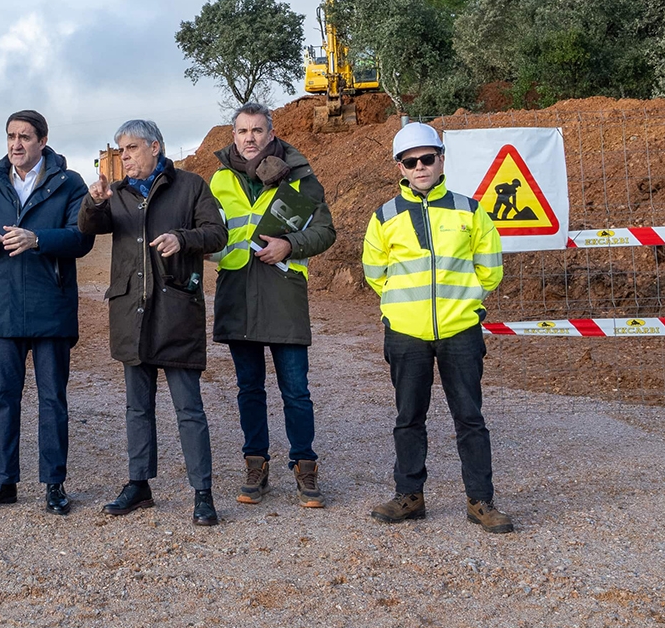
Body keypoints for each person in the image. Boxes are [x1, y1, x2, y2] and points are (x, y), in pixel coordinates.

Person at [361, 122, 513, 534]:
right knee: (408, 417)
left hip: (460, 330)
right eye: (411, 162)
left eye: (428, 158)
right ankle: (409, 496)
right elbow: (375, 273)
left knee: (470, 418)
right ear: (401, 167)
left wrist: (464, 301)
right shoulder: (385, 216)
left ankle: (480, 501)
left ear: (441, 159)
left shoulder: (470, 209)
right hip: (406, 333)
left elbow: (491, 268)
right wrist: (400, 310)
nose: (421, 167)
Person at [78, 119, 228, 526]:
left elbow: (217, 234)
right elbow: (87, 228)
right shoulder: (118, 194)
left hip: (176, 311)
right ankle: (138, 484)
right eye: (120, 149)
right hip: (131, 311)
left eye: (131, 148)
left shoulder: (191, 186)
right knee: (137, 408)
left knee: (189, 409)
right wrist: (92, 201)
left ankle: (203, 493)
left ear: (155, 147)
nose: (123, 156)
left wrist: (183, 238)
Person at [0, 110, 95, 515]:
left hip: (50, 305)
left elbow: (81, 238)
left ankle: (54, 483)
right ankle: (5, 481)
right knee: (3, 399)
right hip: (1, 308)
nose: (16, 144)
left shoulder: (68, 183)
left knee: (52, 400)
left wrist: (38, 239)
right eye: (11, 137)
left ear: (43, 141)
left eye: (25, 137)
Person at [210, 103, 337, 509]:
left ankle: (305, 465)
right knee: (249, 389)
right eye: (243, 131)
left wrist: (289, 245)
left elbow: (325, 230)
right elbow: (207, 232)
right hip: (237, 295)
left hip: (283, 294)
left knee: (295, 391)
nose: (250, 138)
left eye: (258, 130)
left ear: (271, 133)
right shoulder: (218, 180)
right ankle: (256, 464)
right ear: (234, 135)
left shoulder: (299, 175)